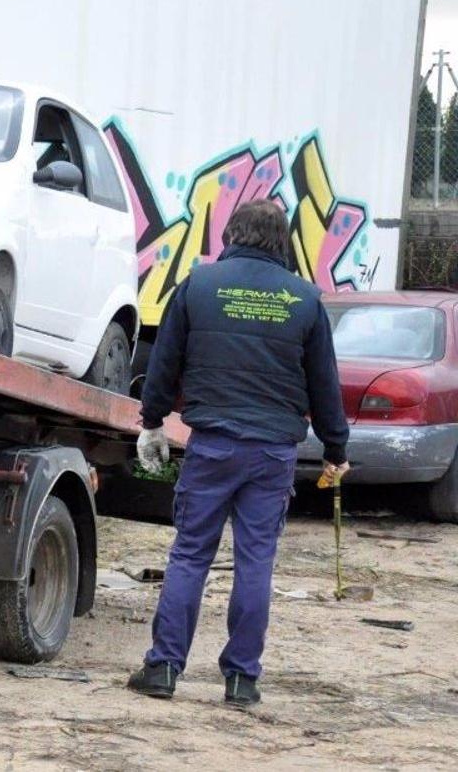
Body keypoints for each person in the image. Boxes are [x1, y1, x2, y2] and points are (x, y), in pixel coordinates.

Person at [129, 200, 350, 707]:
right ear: (282, 241)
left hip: (211, 445)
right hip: (272, 454)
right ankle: (241, 680)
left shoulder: (199, 286)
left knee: (189, 555)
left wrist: (152, 421)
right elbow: (324, 383)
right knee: (256, 562)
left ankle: (163, 669)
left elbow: (165, 360)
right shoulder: (305, 299)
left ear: (231, 234)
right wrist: (336, 449)